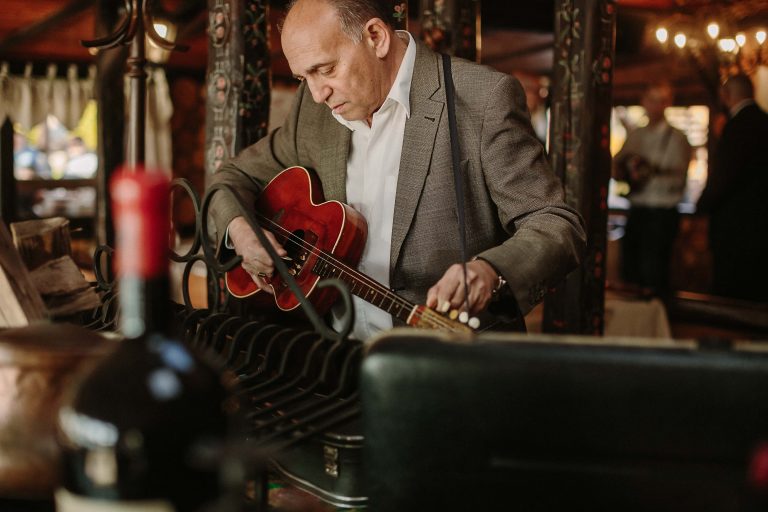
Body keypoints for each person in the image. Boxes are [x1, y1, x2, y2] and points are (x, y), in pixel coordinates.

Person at [208, 0, 586, 340]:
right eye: (304, 78)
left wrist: (490, 271)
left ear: (376, 37)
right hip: (338, 357)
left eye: (326, 69)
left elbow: (555, 223)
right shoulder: (312, 108)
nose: (318, 93)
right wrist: (241, 231)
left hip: (451, 361)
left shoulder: (483, 98)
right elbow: (231, 178)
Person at [613, 83, 691, 297]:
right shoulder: (636, 135)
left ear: (668, 104)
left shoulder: (677, 138)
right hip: (637, 211)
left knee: (654, 276)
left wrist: (649, 171)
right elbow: (618, 164)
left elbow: (677, 178)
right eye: (651, 100)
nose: (655, 106)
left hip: (661, 214)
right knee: (630, 274)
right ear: (643, 102)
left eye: (660, 101)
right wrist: (624, 170)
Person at [696, 74, 768, 302]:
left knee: (732, 292)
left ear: (725, 95)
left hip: (736, 225)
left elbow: (723, 176)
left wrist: (701, 206)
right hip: (762, 224)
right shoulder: (764, 121)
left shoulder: (736, 126)